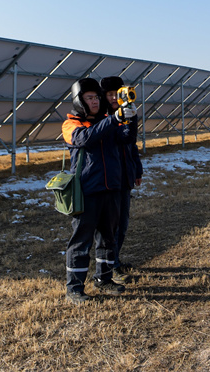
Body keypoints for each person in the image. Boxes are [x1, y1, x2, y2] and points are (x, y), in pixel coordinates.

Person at [61, 77, 135, 303]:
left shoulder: (107, 121)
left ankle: (103, 279)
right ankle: (74, 288)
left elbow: (126, 139)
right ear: (79, 101)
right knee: (81, 241)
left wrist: (130, 115)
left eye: (96, 97)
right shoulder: (71, 124)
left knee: (108, 238)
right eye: (89, 98)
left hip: (111, 188)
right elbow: (85, 139)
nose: (94, 101)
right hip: (87, 191)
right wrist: (114, 119)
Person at [98, 76, 143, 283]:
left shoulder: (126, 114)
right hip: (110, 179)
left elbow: (131, 144)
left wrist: (137, 170)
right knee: (111, 226)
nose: (114, 97)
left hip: (125, 177)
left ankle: (114, 260)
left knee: (122, 224)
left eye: (117, 93)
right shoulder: (103, 118)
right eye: (109, 94)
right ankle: (110, 267)